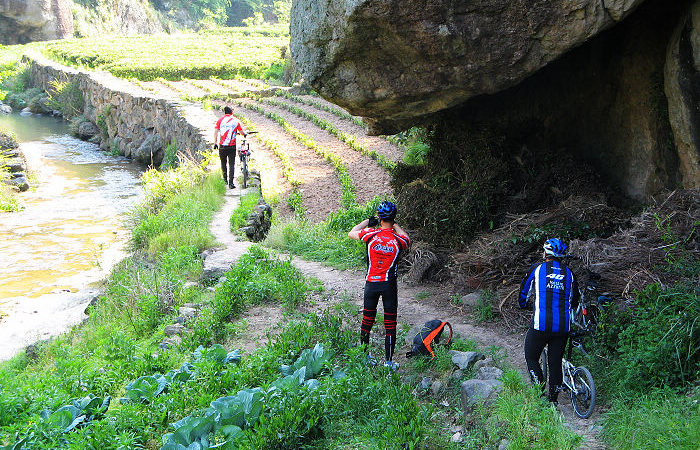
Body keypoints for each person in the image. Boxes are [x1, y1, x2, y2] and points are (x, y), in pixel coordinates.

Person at [349, 201, 411, 370]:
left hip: (371, 284)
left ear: (380, 217)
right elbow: (407, 238)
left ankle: (365, 356)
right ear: (393, 217)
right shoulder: (399, 240)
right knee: (390, 324)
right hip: (389, 285)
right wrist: (394, 224)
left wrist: (369, 221)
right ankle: (389, 362)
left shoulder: (370, 234)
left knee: (367, 321)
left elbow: (351, 233)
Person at [519, 238, 580, 405]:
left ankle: (539, 395)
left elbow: (524, 293)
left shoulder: (537, 269)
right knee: (555, 363)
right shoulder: (569, 273)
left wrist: (523, 305)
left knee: (531, 357)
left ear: (546, 253)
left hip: (540, 325)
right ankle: (553, 401)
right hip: (562, 327)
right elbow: (575, 300)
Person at [214, 106, 247, 189]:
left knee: (223, 163)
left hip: (222, 145)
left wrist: (215, 143)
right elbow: (241, 131)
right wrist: (244, 134)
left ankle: (225, 180)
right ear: (232, 112)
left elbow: (215, 132)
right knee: (231, 164)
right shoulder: (235, 121)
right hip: (232, 146)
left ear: (224, 112)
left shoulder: (220, 120)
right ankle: (231, 183)